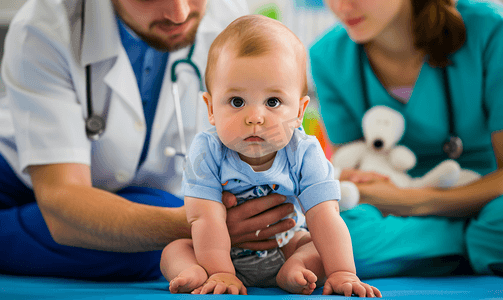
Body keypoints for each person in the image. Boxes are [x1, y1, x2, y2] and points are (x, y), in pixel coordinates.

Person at [0, 0, 298, 281]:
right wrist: (200, 224)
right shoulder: (45, 28)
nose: (179, 14)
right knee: (154, 246)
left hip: (133, 189)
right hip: (17, 181)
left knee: (160, 218)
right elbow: (63, 197)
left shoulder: (228, 15)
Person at [159, 15, 382, 297]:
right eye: (237, 102)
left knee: (318, 245)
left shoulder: (304, 151)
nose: (255, 118)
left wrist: (342, 272)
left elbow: (325, 215)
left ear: (300, 112)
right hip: (216, 254)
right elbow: (205, 219)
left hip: (285, 245)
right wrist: (221, 272)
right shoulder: (208, 150)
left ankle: (294, 270)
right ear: (211, 108)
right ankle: (193, 272)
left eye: (273, 102)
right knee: (175, 250)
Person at [310, 0, 503, 278]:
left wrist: (412, 200)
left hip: (481, 199)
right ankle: (475, 246)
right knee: (336, 231)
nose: (341, 5)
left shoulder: (490, 31)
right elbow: (351, 174)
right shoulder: (327, 57)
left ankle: (434, 252)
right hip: (388, 211)